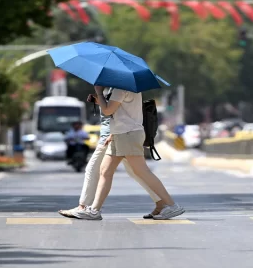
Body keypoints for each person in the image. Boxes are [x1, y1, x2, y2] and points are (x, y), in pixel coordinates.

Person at [70, 85, 184, 220]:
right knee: (105, 171)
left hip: (128, 134)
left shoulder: (120, 89)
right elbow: (120, 112)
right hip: (119, 134)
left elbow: (108, 111)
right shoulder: (128, 87)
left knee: (142, 171)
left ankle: (171, 205)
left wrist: (99, 93)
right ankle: (94, 210)